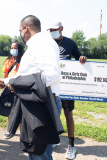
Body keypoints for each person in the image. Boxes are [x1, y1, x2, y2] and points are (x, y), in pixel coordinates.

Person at [0, 15, 61, 160]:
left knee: (40, 154)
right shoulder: (36, 45)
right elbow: (29, 74)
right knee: (33, 151)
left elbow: (51, 76)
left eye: (20, 30)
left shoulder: (43, 44)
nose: (20, 34)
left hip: (42, 106)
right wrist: (9, 81)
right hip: (36, 104)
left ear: (26, 29)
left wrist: (19, 84)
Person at [48, 21, 87, 160]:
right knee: (52, 114)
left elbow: (79, 58)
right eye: (50, 30)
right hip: (52, 86)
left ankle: (71, 145)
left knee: (68, 115)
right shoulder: (48, 43)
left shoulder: (70, 43)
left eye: (55, 29)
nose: (52, 32)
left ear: (61, 29)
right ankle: (53, 139)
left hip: (67, 87)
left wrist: (82, 59)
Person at [2, 40, 24, 139]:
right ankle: (9, 129)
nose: (13, 50)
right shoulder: (8, 61)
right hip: (9, 89)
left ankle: (22, 133)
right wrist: (6, 86)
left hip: (20, 90)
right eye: (12, 48)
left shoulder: (23, 61)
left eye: (15, 48)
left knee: (21, 112)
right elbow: (4, 76)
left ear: (19, 49)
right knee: (9, 110)